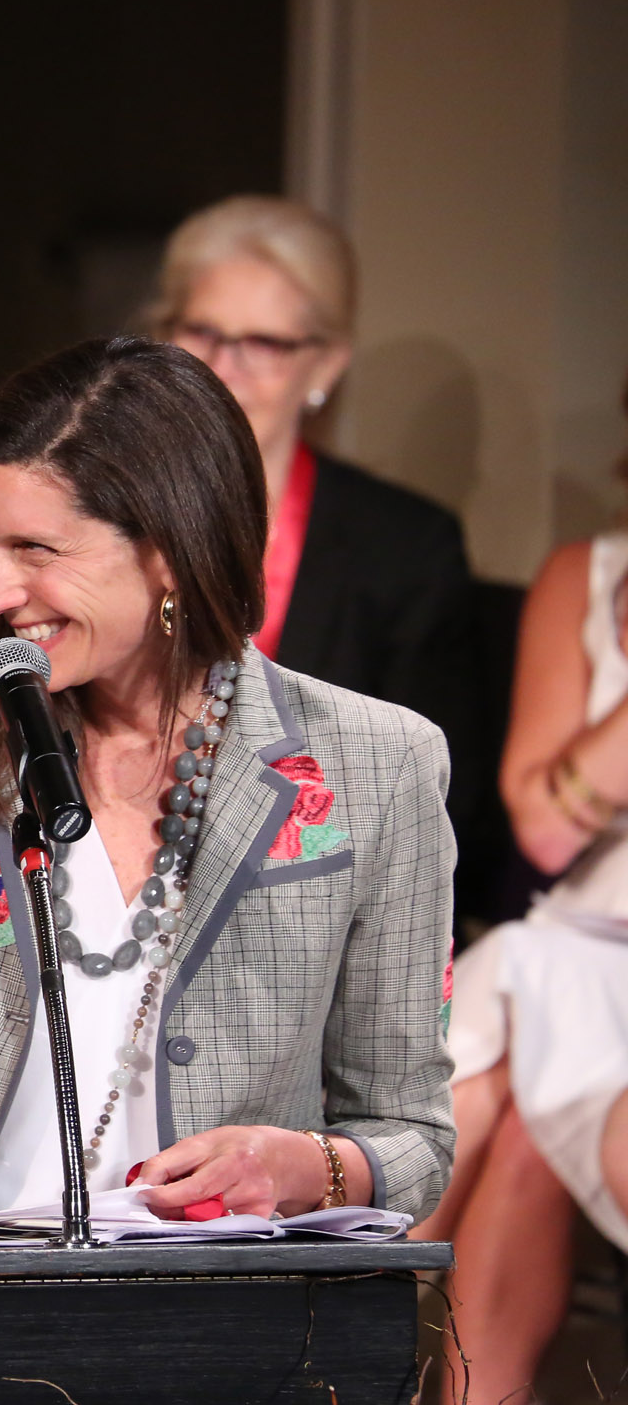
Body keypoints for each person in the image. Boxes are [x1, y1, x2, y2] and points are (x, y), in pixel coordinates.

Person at [0, 335, 455, 1226]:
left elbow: (414, 1134)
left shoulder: (379, 763)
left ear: (171, 552)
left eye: (36, 549)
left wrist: (303, 1167)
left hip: (224, 1304)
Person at [149, 198, 485, 894]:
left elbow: (437, 802)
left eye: (264, 344)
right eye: (203, 331)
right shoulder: (97, 518)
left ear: (325, 365)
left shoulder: (404, 546)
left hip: (318, 912)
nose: (224, 367)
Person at [416, 369, 628, 1403]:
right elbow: (542, 827)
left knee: (517, 1097)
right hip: (578, 937)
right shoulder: (587, 577)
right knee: (492, 1094)